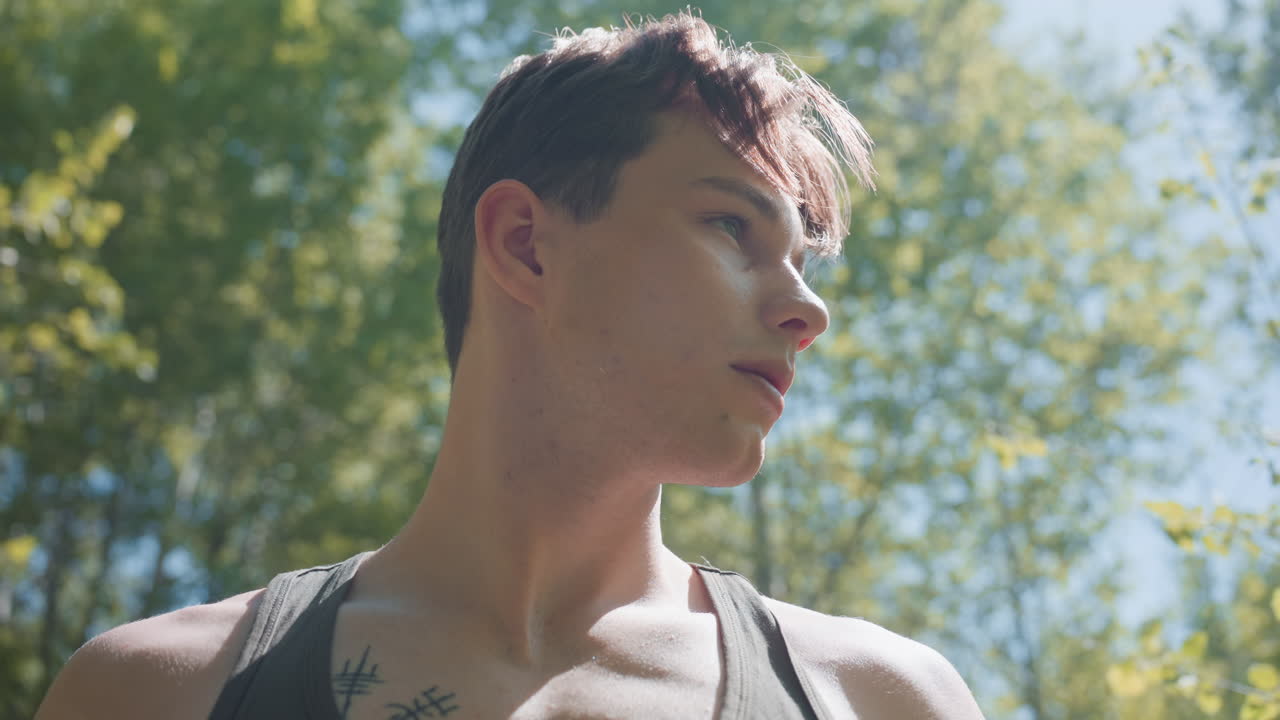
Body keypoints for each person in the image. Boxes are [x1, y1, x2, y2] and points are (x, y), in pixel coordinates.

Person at [37, 12, 985, 720]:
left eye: (803, 263)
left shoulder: (881, 699)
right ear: (526, 245)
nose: (807, 308)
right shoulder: (151, 693)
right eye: (732, 226)